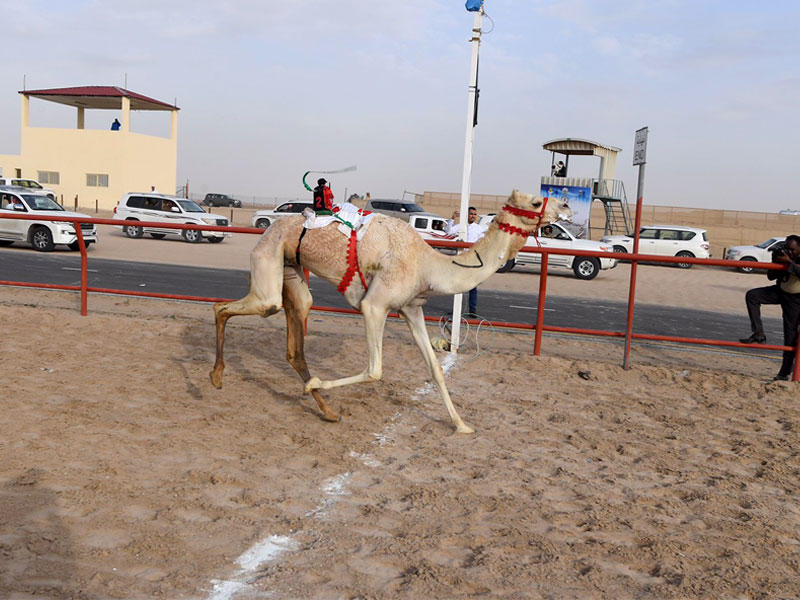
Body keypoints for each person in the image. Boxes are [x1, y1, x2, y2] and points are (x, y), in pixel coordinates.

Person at [739, 234, 800, 380]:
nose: (789, 252)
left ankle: (784, 373)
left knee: (790, 337)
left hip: (795, 299)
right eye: (787, 248)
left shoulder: (792, 259)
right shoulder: (785, 256)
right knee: (752, 296)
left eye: (792, 250)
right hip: (781, 292)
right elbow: (771, 276)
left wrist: (789, 262)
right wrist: (775, 261)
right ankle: (758, 334)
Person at [446, 206, 485, 316]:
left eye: (474, 214)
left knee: (472, 286)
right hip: (461, 259)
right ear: (467, 215)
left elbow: (483, 243)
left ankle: (472, 310)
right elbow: (448, 231)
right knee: (458, 285)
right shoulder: (461, 226)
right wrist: (452, 218)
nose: (473, 216)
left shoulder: (479, 229)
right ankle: (457, 309)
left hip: (472, 260)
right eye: (471, 214)